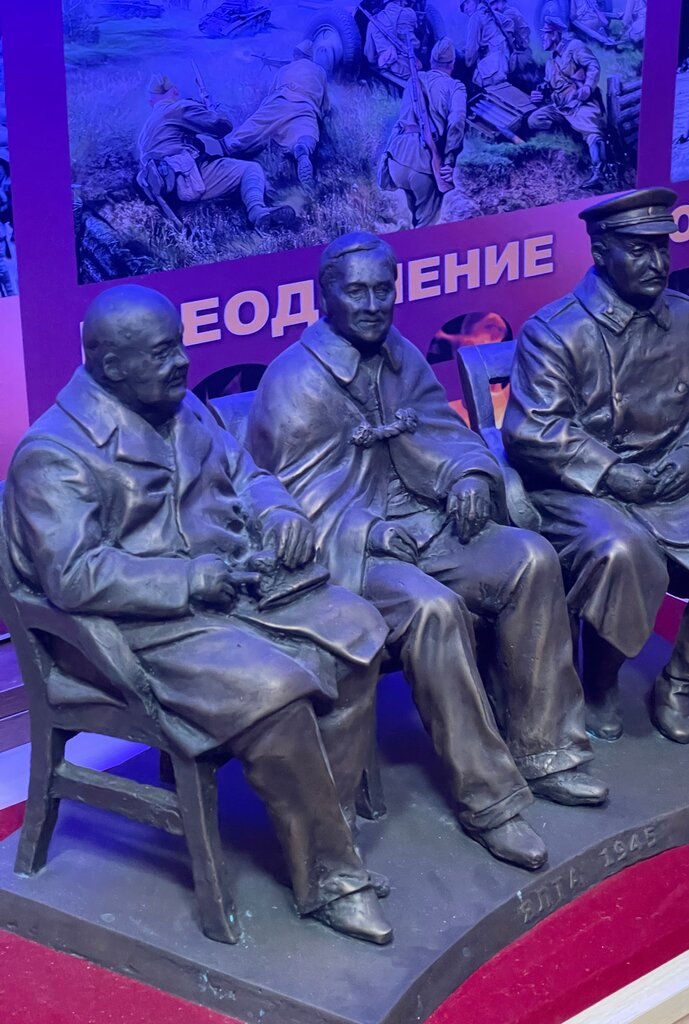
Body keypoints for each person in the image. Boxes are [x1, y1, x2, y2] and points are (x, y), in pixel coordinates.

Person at [3, 284, 394, 945]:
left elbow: (249, 475)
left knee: (357, 631)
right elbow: (73, 575)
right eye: (163, 352)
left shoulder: (184, 409)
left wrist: (279, 512)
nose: (183, 361)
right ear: (110, 366)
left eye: (179, 345)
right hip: (130, 631)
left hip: (229, 594)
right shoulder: (54, 453)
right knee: (277, 691)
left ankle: (329, 833)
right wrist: (187, 579)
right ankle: (332, 880)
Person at [248, 231, 609, 873]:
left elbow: (446, 434)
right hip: (353, 556)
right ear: (323, 295)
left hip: (430, 525)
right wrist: (370, 532)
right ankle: (489, 800)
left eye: (383, 289)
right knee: (433, 610)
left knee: (531, 559)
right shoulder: (294, 380)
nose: (372, 304)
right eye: (356, 291)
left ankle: (547, 749)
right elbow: (288, 503)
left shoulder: (401, 355)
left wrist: (467, 476)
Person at [503, 188, 689, 744]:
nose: (657, 263)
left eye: (662, 247)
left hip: (671, 476)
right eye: (639, 249)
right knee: (623, 552)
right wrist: (609, 471)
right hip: (583, 489)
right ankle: (600, 685)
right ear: (601, 253)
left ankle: (677, 681)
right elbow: (534, 430)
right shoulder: (555, 331)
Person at [137, 74, 295, 230]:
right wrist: (212, 108)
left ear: (152, 101)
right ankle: (258, 212)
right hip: (187, 181)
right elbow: (222, 126)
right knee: (250, 169)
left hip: (167, 191)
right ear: (175, 91)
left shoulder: (145, 131)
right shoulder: (178, 108)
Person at [378, 37, 467, 228]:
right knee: (427, 226)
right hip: (423, 163)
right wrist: (449, 160)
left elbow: (402, 121)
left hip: (397, 159)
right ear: (451, 64)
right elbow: (457, 121)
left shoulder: (413, 80)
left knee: (415, 214)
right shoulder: (456, 86)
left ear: (432, 61)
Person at [227, 40, 331, 190]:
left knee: (253, 127)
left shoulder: (284, 69)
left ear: (296, 55)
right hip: (305, 106)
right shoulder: (320, 71)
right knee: (306, 133)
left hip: (280, 100)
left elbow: (271, 93)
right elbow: (325, 105)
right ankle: (302, 148)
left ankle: (229, 146)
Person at [527, 17, 608, 187]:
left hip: (581, 103)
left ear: (555, 35)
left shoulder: (574, 47)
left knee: (593, 132)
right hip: (562, 108)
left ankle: (599, 172)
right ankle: (567, 139)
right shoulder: (550, 63)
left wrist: (587, 87)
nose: (543, 38)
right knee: (534, 120)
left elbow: (593, 65)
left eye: (545, 34)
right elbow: (549, 86)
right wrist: (538, 94)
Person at [462, 0, 534, 90]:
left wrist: (467, 61)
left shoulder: (475, 18)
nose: (465, 8)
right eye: (463, 6)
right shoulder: (491, 13)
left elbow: (470, 54)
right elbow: (509, 23)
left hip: (492, 71)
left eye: (468, 2)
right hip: (505, 64)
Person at [364, 0, 419, 81]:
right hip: (413, 67)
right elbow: (416, 45)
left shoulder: (372, 22)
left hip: (390, 70)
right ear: (401, 1)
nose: (406, 3)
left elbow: (370, 57)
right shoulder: (409, 13)